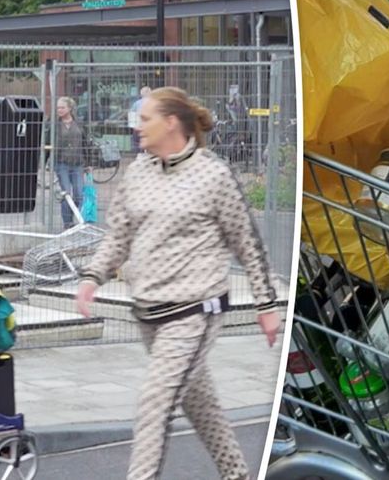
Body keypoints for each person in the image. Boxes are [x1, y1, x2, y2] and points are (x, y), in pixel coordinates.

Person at [74, 87, 281, 480]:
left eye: (146, 118)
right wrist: (91, 277)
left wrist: (266, 305)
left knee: (156, 404)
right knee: (201, 405)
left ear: (171, 123)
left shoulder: (212, 173)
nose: (138, 126)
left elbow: (247, 242)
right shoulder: (137, 172)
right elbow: (118, 236)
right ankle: (237, 474)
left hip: (195, 311)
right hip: (148, 312)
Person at [54, 96, 96, 229]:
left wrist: (89, 163)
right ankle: (68, 223)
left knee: (78, 195)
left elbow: (86, 144)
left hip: (78, 163)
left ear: (70, 109)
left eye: (62, 107)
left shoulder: (79, 123)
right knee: (66, 193)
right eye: (58, 107)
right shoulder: (54, 124)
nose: (59, 110)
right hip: (62, 163)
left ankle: (74, 215)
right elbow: (48, 143)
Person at [128, 86, 151, 153]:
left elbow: (131, 113)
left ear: (141, 94)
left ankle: (140, 153)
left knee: (137, 142)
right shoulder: (154, 102)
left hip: (139, 126)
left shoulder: (137, 103)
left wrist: (133, 125)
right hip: (150, 126)